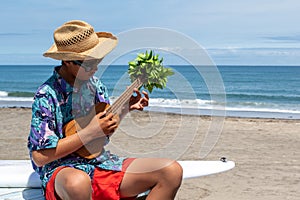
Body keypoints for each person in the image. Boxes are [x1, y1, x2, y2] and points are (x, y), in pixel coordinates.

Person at [27, 20, 182, 200]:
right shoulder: (47, 95)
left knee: (170, 171)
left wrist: (125, 109)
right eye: (88, 64)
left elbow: (99, 136)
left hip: (98, 161)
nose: (95, 68)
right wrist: (89, 132)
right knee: (78, 183)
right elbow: (40, 157)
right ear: (67, 61)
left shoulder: (95, 86)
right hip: (62, 170)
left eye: (98, 61)